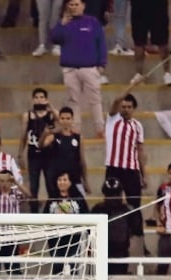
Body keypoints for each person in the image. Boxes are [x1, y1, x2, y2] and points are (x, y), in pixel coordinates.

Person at [50, 0, 107, 139]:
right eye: (71, 5)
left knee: (95, 99)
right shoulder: (64, 23)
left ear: (83, 6)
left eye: (76, 4)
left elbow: (101, 43)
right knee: (73, 101)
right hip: (70, 68)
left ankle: (100, 129)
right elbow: (54, 39)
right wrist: (62, 24)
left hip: (90, 68)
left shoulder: (92, 22)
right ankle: (75, 131)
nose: (74, 7)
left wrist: (102, 64)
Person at [105, 85, 146, 242]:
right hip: (113, 167)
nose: (126, 109)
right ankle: (109, 237)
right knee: (110, 203)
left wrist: (144, 174)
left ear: (134, 109)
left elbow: (140, 151)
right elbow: (116, 100)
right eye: (124, 106)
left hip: (131, 169)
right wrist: (133, 84)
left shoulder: (137, 126)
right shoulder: (112, 119)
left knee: (135, 205)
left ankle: (138, 240)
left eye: (129, 107)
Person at [19, 88, 58, 213]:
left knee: (51, 185)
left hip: (49, 154)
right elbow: (24, 135)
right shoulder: (28, 115)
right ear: (33, 99)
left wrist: (51, 108)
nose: (39, 99)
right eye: (36, 97)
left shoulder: (51, 114)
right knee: (34, 187)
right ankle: (34, 213)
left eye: (42, 97)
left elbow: (60, 122)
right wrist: (20, 153)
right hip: (33, 154)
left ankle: (51, 212)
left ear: (46, 99)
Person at [39, 106, 89, 199]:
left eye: (68, 118)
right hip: (59, 179)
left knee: (79, 205)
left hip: (75, 177)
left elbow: (82, 160)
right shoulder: (54, 136)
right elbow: (41, 145)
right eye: (62, 118)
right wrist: (44, 134)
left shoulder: (78, 137)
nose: (65, 121)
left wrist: (85, 181)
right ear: (59, 120)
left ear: (72, 120)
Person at [91, 176, 133, 275]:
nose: (113, 197)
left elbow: (135, 230)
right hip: (102, 252)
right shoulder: (97, 209)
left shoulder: (127, 210)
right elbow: (91, 232)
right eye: (110, 195)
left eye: (116, 194)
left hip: (121, 252)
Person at [128, 0, 171, 86]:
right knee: (139, 41)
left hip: (158, 5)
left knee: (162, 41)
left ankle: (167, 73)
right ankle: (138, 74)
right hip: (139, 6)